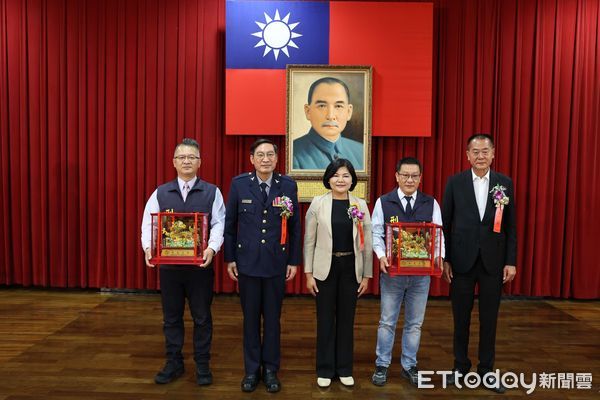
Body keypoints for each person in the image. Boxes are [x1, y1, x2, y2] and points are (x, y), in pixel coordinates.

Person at [140, 138, 225, 386]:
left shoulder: (212, 191)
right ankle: (174, 362)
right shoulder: (161, 192)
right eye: (182, 157)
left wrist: (212, 248)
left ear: (200, 162)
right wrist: (148, 247)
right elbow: (149, 223)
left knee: (202, 318)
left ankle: (202, 365)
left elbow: (220, 222)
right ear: (174, 162)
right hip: (169, 269)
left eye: (191, 157)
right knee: (171, 318)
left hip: (200, 268)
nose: (186, 161)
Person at [224, 138, 302, 393]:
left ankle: (270, 370)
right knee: (249, 320)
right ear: (252, 159)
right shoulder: (239, 185)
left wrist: (293, 260)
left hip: (275, 264)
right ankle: (251, 370)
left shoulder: (287, 185)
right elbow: (230, 225)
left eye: (270, 154)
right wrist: (230, 258)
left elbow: (295, 228)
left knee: (272, 320)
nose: (265, 159)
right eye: (260, 155)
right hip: (246, 264)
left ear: (277, 159)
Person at [442, 133, 517, 394]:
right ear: (467, 155)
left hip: (493, 264)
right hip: (461, 263)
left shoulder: (504, 184)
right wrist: (446, 259)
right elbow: (446, 224)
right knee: (460, 318)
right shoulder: (455, 183)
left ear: (493, 154)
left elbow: (511, 227)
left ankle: (486, 370)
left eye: (485, 151)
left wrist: (510, 261)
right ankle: (460, 366)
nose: (480, 156)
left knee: (489, 319)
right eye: (475, 151)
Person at [371, 157, 444, 387]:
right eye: (405, 175)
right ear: (396, 176)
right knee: (387, 322)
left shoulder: (430, 203)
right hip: (393, 275)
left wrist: (438, 257)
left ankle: (409, 364)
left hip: (421, 276)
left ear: (420, 178)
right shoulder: (384, 202)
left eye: (414, 176)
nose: (410, 180)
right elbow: (376, 233)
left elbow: (439, 236)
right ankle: (382, 364)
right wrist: (381, 256)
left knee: (415, 323)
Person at [303, 159, 373, 388]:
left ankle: (344, 368)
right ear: (328, 179)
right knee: (325, 320)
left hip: (351, 269)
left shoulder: (360, 205)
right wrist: (308, 273)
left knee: (346, 320)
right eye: (336, 175)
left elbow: (368, 243)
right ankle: (324, 369)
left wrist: (366, 275)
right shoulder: (318, 203)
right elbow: (309, 241)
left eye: (345, 175)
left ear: (352, 179)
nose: (340, 180)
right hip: (325, 269)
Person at [292, 77, 364, 170]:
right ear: (308, 111)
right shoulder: (293, 154)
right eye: (322, 106)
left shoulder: (361, 151)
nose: (330, 116)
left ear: (349, 112)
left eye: (338, 106)